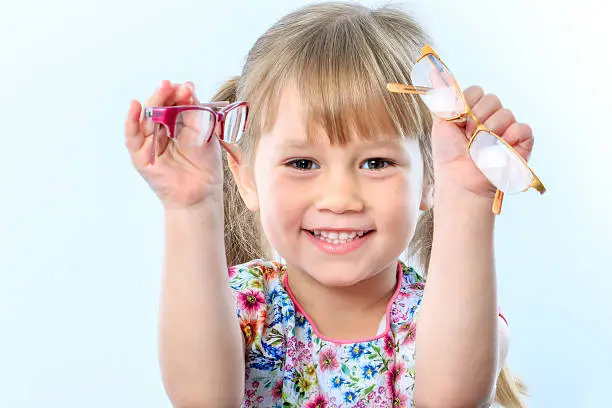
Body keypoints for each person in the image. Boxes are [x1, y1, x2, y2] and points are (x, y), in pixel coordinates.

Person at [124, 2, 532, 407]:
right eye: (302, 163)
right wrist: (190, 208)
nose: (340, 199)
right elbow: (202, 401)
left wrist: (465, 196)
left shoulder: (448, 315)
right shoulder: (244, 306)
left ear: (430, 178)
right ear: (245, 175)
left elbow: (452, 400)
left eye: (377, 162)